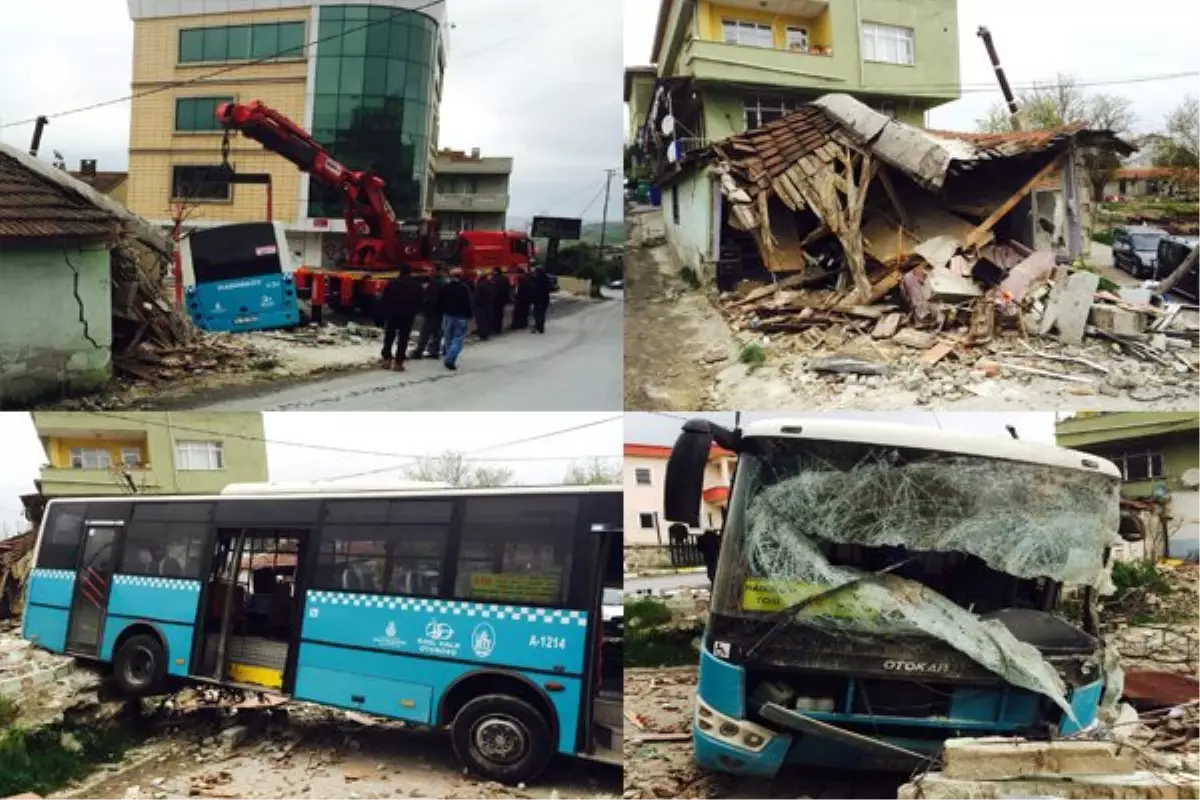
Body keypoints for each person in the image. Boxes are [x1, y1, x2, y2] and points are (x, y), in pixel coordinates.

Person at [378, 263, 424, 370]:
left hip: (393, 314)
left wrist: (384, 312)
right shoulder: (416, 285)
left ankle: (387, 359)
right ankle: (398, 362)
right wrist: (415, 311)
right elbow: (420, 300)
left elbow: (385, 298)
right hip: (408, 315)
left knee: (389, 336)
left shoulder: (393, 283)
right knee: (403, 338)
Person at [437, 267, 474, 370]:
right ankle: (450, 358)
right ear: (461, 276)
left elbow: (440, 301)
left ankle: (448, 354)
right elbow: (469, 302)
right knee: (458, 338)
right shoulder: (465, 288)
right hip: (461, 316)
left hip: (448, 315)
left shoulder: (445, 287)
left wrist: (441, 311)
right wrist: (470, 314)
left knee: (448, 337)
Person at [411, 264, 446, 359]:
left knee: (425, 332)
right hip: (441, 311)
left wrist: (424, 307)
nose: (429, 273)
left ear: (437, 271)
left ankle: (418, 351)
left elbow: (431, 299)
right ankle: (434, 350)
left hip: (432, 311)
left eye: (431, 270)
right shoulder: (444, 282)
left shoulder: (435, 283)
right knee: (437, 332)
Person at [472, 270, 497, 341]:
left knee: (481, 320)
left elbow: (477, 296)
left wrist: (475, 303)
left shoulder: (480, 285)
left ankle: (483, 334)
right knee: (487, 318)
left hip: (480, 305)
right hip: (488, 304)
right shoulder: (491, 284)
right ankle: (487, 332)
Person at [531, 265, 553, 334]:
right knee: (542, 313)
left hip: (538, 299)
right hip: (545, 298)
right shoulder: (547, 279)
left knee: (536, 313)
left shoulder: (537, 279)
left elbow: (534, 289)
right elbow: (550, 288)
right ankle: (541, 327)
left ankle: (538, 326)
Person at [491, 267, 511, 336]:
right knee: (500, 314)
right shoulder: (505, 279)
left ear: (496, 272)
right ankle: (498, 329)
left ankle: (494, 328)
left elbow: (493, 290)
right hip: (502, 300)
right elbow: (508, 289)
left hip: (495, 299)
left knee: (494, 314)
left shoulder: (494, 279)